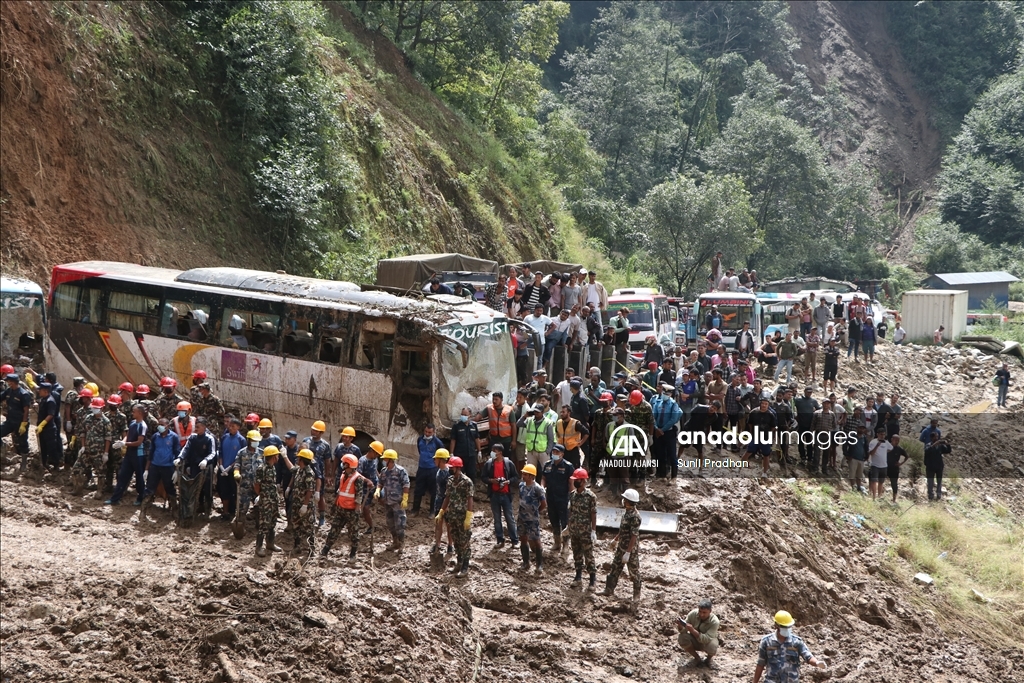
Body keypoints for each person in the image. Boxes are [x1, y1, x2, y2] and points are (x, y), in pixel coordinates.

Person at [753, 611, 827, 683]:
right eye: (784, 626)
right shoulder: (766, 641)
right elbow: (760, 664)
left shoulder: (796, 642)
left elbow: (808, 656)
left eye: (789, 626)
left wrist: (817, 663)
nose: (787, 629)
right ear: (776, 625)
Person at [323, 453, 371, 560]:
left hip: (351, 511)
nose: (342, 464)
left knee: (353, 533)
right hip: (341, 509)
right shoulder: (343, 475)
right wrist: (335, 505)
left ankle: (353, 554)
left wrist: (358, 508)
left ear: (348, 465)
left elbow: (359, 494)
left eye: (344, 463)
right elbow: (340, 491)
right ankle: (325, 551)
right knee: (334, 530)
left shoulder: (357, 478)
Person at [601, 488, 642, 600]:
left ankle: (636, 596)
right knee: (615, 568)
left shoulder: (635, 517)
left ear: (628, 501)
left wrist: (628, 553)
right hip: (621, 546)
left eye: (625, 499)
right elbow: (623, 529)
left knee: (634, 572)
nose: (623, 500)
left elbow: (634, 535)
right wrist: (616, 539)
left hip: (630, 550)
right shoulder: (627, 513)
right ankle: (609, 589)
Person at [437, 456, 474, 577]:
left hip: (463, 516)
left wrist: (468, 516)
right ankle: (459, 563)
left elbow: (470, 499)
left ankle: (465, 567)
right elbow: (447, 497)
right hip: (452, 515)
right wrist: (442, 511)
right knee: (456, 541)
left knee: (464, 542)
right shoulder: (450, 480)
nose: (451, 469)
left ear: (458, 468)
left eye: (453, 467)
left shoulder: (467, 482)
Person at [106, 405, 148, 506]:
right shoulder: (133, 423)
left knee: (139, 478)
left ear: (140, 413)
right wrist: (122, 442)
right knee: (122, 476)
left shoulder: (142, 426)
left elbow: (139, 442)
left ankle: (141, 498)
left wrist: (125, 444)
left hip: (138, 455)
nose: (132, 413)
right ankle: (115, 499)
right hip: (129, 454)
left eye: (134, 412)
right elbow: (128, 436)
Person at [71, 396, 112, 496]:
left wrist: (106, 453)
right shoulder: (88, 418)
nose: (94, 409)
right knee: (77, 468)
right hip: (86, 450)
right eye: (93, 407)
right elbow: (83, 432)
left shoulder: (106, 422)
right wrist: (83, 446)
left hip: (99, 452)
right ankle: (78, 488)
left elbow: (108, 438)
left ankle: (99, 491)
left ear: (102, 408)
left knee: (100, 472)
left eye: (96, 408)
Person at [482, 444, 519, 549]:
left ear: (500, 452)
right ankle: (500, 540)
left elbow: (516, 476)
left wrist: (508, 482)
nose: (493, 452)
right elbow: (483, 477)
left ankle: (515, 541)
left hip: (506, 495)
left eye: (495, 451)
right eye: (492, 450)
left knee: (510, 518)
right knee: (497, 519)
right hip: (494, 495)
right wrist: (491, 481)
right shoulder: (489, 464)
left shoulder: (508, 463)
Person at [567, 467, 598, 591]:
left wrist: (594, 531)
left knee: (589, 556)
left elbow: (593, 514)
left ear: (583, 481)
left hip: (585, 531)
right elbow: (571, 511)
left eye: (577, 480)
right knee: (577, 554)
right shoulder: (572, 495)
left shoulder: (591, 496)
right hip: (574, 531)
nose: (575, 482)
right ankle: (578, 577)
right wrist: (568, 526)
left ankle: (592, 581)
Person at [140, 419, 180, 512]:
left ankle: (174, 510)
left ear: (167, 426)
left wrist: (176, 470)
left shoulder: (173, 437)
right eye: (159, 425)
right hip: (155, 466)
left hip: (168, 467)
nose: (160, 427)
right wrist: (146, 469)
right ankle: (143, 511)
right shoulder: (155, 436)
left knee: (170, 489)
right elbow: (151, 453)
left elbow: (177, 454)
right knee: (149, 488)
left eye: (162, 424)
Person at [375, 448, 410, 552]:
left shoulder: (400, 471)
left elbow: (406, 484)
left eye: (385, 459)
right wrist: (378, 490)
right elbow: (380, 482)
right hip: (388, 501)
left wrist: (405, 498)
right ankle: (395, 542)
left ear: (390, 460)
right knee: (390, 524)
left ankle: (402, 544)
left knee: (400, 524)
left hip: (397, 502)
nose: (384, 461)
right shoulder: (384, 471)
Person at [541, 445, 574, 552]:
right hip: (551, 497)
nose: (554, 454)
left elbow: (571, 483)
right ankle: (557, 542)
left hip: (563, 498)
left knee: (564, 522)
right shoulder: (547, 465)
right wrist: (542, 487)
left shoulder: (568, 466)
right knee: (553, 520)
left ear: (562, 454)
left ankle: (565, 544)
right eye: (553, 451)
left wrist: (572, 498)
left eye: (557, 452)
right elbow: (543, 478)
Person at [288, 448, 317, 560]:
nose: (297, 459)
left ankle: (311, 549)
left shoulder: (309, 473)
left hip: (306, 505)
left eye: (298, 458)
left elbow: (310, 490)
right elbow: (292, 471)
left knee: (308, 527)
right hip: (296, 503)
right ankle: (297, 545)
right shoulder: (299, 470)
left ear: (302, 459)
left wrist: (305, 505)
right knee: (296, 525)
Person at [517, 463, 547, 573]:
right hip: (521, 518)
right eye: (523, 474)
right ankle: (526, 562)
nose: (523, 476)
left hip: (532, 519)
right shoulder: (521, 486)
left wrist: (536, 512)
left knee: (536, 540)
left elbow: (543, 504)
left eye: (525, 474)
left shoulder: (537, 488)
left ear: (531, 476)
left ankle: (539, 564)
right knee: (523, 539)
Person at [253, 445, 282, 556]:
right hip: (266, 500)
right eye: (277, 455)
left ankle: (270, 543)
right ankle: (259, 547)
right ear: (274, 456)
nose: (278, 457)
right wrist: (260, 495)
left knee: (273, 521)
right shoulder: (262, 468)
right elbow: (256, 484)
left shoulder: (272, 467)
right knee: (264, 523)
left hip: (273, 498)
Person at [676, 599, 720, 669]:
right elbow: (683, 631)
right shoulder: (693, 614)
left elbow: (706, 639)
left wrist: (692, 630)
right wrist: (680, 626)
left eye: (704, 612)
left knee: (713, 645)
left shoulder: (714, 622)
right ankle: (697, 658)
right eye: (700, 611)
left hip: (707, 642)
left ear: (710, 611)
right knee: (682, 638)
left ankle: (708, 660)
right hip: (694, 639)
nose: (702, 614)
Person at [1, 373, 33, 467]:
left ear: (13, 382)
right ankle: (3, 448)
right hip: (10, 421)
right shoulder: (9, 391)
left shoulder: (23, 394)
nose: (8, 383)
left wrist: (23, 423)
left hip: (20, 422)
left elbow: (26, 410)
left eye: (9, 381)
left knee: (23, 442)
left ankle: (24, 462)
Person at [651, 384, 683, 479]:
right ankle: (661, 474)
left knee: (672, 455)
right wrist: (656, 428)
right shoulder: (658, 403)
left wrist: (662, 429)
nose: (665, 395)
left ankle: (674, 476)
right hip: (658, 432)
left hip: (669, 432)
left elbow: (673, 419)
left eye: (667, 393)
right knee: (660, 454)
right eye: (664, 393)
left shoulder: (673, 405)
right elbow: (653, 417)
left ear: (670, 394)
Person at [217, 417, 246, 519]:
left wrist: (230, 467)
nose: (230, 428)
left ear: (238, 427)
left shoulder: (241, 440)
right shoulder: (224, 437)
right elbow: (220, 453)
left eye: (233, 426)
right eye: (230, 426)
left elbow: (241, 456)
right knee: (224, 491)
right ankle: (225, 512)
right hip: (223, 470)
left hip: (234, 470)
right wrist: (221, 466)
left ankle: (236, 512)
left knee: (235, 491)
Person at [412, 423, 443, 514]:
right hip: (421, 468)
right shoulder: (420, 439)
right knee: (418, 489)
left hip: (432, 469)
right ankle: (415, 510)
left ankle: (432, 511)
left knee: (434, 491)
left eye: (429, 432)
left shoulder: (437, 442)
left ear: (433, 432)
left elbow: (442, 454)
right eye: (425, 432)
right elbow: (419, 450)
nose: (427, 434)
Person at [35, 382, 62, 472]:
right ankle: (44, 464)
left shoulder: (50, 401)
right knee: (43, 447)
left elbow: (50, 415)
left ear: (45, 391)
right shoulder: (44, 399)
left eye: (40, 390)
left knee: (51, 447)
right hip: (42, 428)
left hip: (48, 429)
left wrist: (42, 425)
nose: (39, 392)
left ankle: (56, 465)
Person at [518, 403, 554, 470]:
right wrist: (524, 416)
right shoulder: (529, 420)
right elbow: (519, 424)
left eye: (538, 412)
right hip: (531, 451)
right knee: (530, 471)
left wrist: (547, 451)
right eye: (535, 411)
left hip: (543, 451)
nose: (536, 413)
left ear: (542, 412)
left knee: (546, 470)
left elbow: (551, 438)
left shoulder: (547, 423)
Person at [358, 441, 384, 534]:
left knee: (384, 500)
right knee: (365, 508)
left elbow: (375, 468)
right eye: (376, 454)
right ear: (372, 451)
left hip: (376, 485)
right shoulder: (362, 460)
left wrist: (379, 476)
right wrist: (367, 481)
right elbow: (358, 474)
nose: (377, 456)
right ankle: (371, 526)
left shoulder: (375, 459)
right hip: (366, 489)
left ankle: (392, 517)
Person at [450, 407, 481, 482]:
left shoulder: (473, 425)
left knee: (471, 473)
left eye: (465, 414)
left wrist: (479, 451)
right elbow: (453, 440)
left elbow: (477, 439)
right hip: (460, 455)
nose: (463, 416)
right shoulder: (456, 426)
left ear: (469, 415)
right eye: (462, 414)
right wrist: (451, 453)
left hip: (471, 454)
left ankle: (471, 491)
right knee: (459, 474)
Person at [554, 404, 589, 469]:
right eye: (561, 412)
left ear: (569, 413)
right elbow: (557, 432)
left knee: (574, 469)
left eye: (563, 412)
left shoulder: (575, 423)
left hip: (573, 451)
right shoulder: (559, 422)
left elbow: (586, 433)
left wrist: (580, 443)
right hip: (562, 451)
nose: (561, 414)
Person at [924, 432, 951, 501]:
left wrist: (947, 444)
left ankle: (939, 494)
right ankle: (930, 495)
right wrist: (934, 445)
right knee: (930, 481)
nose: (937, 438)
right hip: (930, 467)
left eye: (937, 437)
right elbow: (927, 451)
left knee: (939, 481)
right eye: (935, 437)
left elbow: (948, 451)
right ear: (931, 438)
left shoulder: (940, 446)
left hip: (939, 466)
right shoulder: (928, 445)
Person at [867, 428, 892, 501]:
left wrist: (885, 452)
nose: (882, 436)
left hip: (884, 465)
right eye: (881, 434)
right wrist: (877, 446)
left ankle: (879, 496)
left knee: (881, 482)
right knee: (874, 481)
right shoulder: (873, 442)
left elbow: (891, 448)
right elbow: (871, 453)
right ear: (877, 434)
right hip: (875, 465)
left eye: (884, 434)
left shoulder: (886, 442)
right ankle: (874, 497)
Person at [886, 434, 909, 503]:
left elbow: (907, 456)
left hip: (894, 468)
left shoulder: (899, 449)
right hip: (885, 466)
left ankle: (894, 499)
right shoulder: (887, 446)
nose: (896, 442)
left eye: (898, 440)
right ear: (892, 439)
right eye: (895, 440)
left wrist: (900, 463)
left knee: (894, 484)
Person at [846, 425, 868, 493]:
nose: (861, 429)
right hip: (853, 458)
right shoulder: (852, 436)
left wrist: (866, 456)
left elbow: (866, 448)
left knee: (859, 475)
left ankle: (859, 487)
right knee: (852, 474)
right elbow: (845, 444)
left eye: (863, 428)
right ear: (857, 428)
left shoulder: (864, 438)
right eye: (860, 428)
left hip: (861, 459)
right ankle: (853, 487)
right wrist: (846, 454)